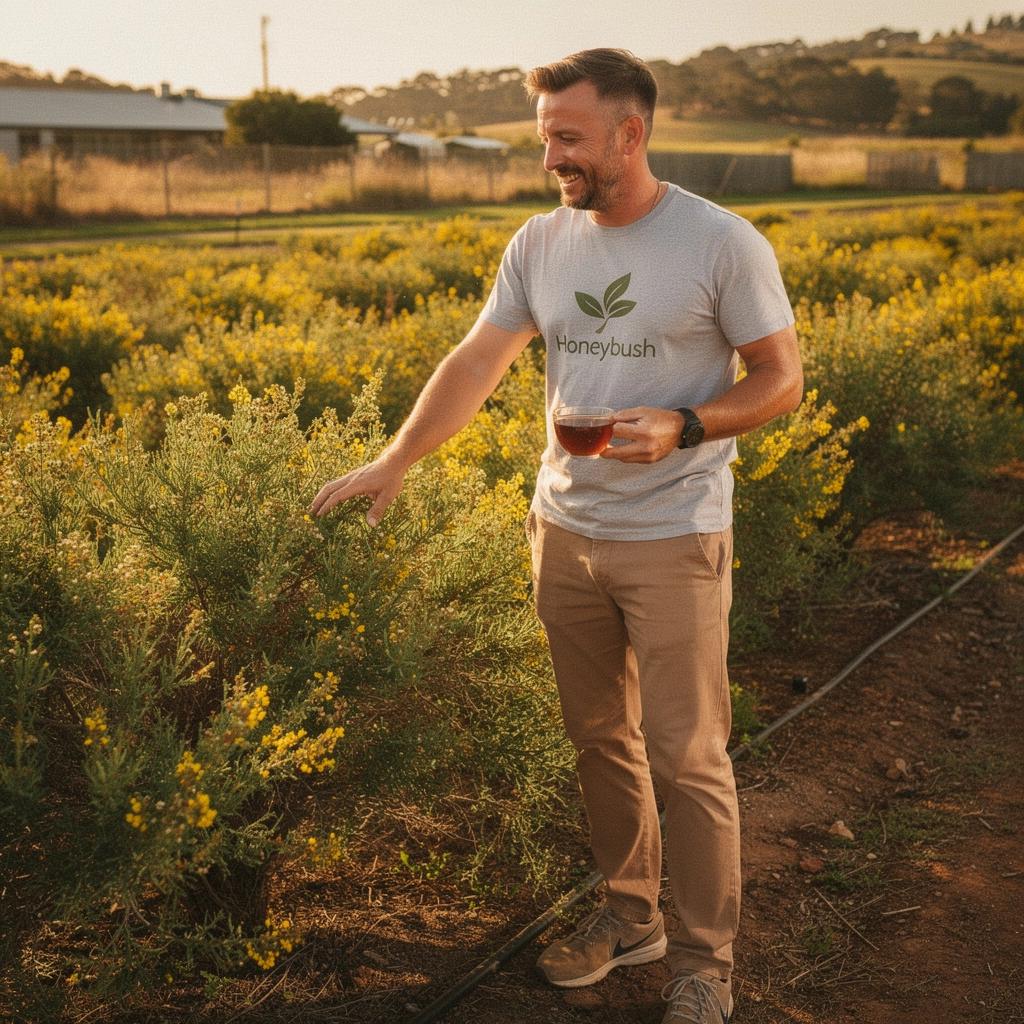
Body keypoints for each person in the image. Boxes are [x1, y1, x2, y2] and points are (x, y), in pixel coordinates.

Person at [311, 48, 802, 1024]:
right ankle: (631, 916)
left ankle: (703, 965)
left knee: (687, 754)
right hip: (564, 530)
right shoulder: (540, 243)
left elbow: (780, 379)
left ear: (631, 132)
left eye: (567, 138)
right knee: (599, 739)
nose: (551, 157)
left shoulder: (719, 242)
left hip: (675, 536)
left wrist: (688, 423)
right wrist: (397, 458)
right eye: (544, 137)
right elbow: (478, 356)